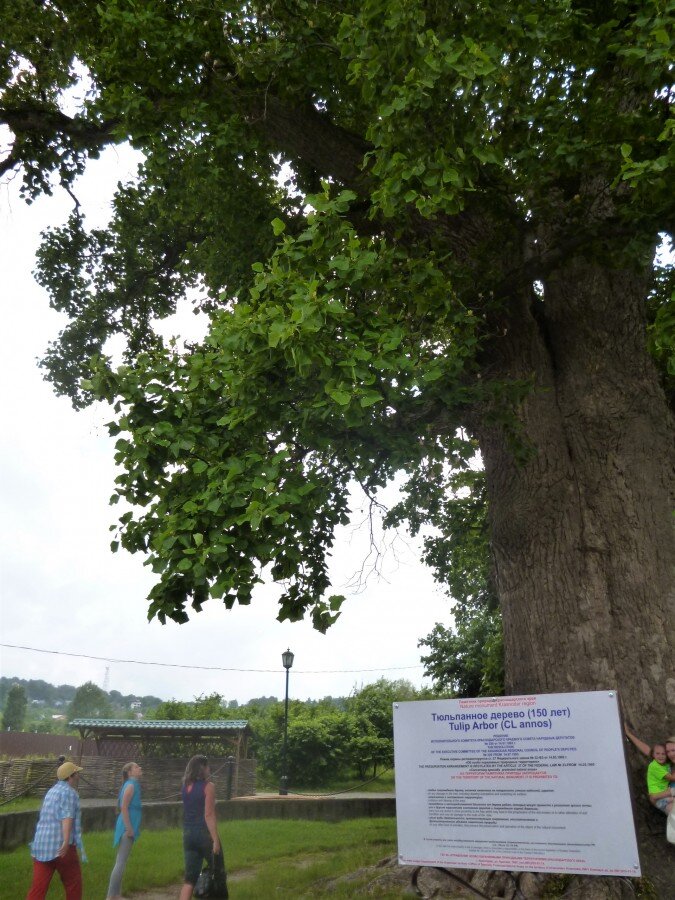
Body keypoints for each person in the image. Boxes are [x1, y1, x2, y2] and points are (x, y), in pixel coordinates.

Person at [26, 760, 86, 900]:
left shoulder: (51, 792)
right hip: (61, 847)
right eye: (76, 773)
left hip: (41, 846)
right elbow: (67, 816)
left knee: (38, 888)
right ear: (70, 776)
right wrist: (65, 842)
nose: (78, 776)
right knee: (73, 883)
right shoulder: (70, 793)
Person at [179, 755, 225, 900]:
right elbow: (209, 815)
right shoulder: (208, 787)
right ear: (202, 768)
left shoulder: (185, 787)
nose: (209, 769)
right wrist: (215, 839)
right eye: (207, 766)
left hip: (188, 834)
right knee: (218, 873)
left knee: (189, 879)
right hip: (204, 835)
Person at [106, 761, 143, 900]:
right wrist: (129, 828)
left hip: (129, 826)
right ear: (129, 772)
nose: (139, 768)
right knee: (120, 862)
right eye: (136, 767)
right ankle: (111, 895)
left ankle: (116, 894)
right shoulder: (131, 786)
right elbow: (124, 807)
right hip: (127, 828)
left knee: (122, 861)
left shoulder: (133, 785)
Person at [624, 724, 675, 813]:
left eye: (673, 750)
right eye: (668, 752)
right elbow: (648, 750)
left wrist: (656, 796)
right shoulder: (667, 762)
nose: (670, 754)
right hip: (667, 801)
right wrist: (628, 734)